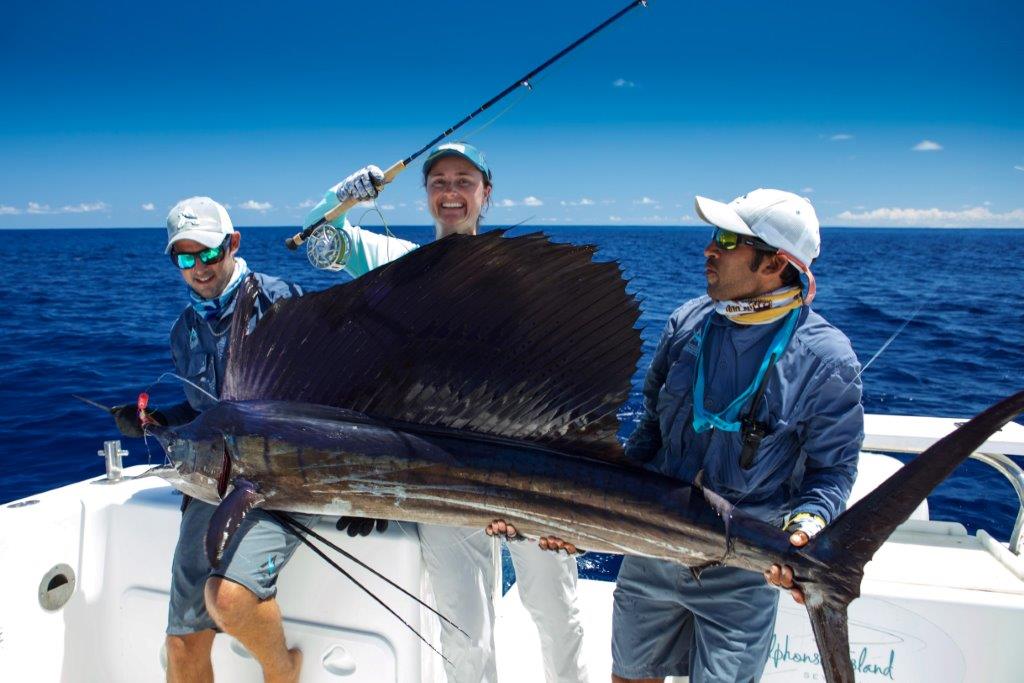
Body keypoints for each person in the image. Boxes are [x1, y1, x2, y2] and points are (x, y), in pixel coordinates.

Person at [540, 189, 864, 682]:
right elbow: (649, 431)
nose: (710, 250)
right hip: (650, 550)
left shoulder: (827, 359)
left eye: (729, 240)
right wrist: (585, 517)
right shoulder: (685, 323)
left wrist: (807, 528)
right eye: (715, 236)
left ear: (775, 265)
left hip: (741, 573)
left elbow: (831, 471)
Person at [303, 142, 589, 683]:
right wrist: (341, 196)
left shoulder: (525, 276)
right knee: (462, 625)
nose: (450, 193)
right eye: (438, 182)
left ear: (486, 193)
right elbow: (317, 240)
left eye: (463, 180)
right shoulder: (398, 263)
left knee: (554, 609)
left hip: (528, 460)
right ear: (426, 195)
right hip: (440, 465)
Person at [112, 197, 311, 683]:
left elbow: (326, 402)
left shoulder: (280, 300)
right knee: (181, 646)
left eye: (207, 252)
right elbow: (205, 412)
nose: (198, 268)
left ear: (233, 244)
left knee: (229, 600)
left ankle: (284, 672)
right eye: (184, 257)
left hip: (282, 479)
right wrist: (158, 419)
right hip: (215, 484)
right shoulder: (184, 331)